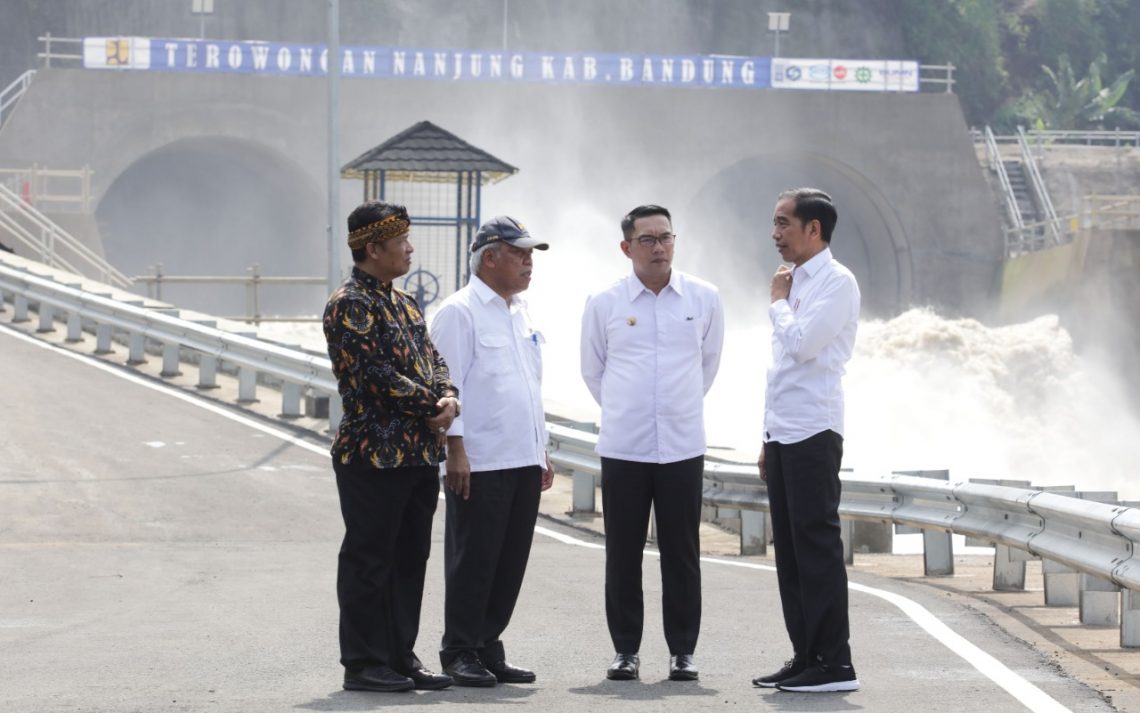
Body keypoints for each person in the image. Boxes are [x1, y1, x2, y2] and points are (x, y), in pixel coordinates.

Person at [580, 204, 725, 682]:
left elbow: (708, 365)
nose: (659, 247)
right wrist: (631, 409)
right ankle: (626, 650)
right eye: (648, 240)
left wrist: (674, 408)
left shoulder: (703, 298)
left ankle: (683, 651)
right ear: (627, 248)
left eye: (666, 237)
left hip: (682, 445)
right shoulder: (604, 303)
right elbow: (593, 371)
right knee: (622, 551)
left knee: (681, 552)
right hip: (624, 446)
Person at [323, 199, 460, 693]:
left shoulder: (403, 303)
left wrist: (447, 395)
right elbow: (374, 375)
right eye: (401, 241)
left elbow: (433, 358)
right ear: (373, 248)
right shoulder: (349, 304)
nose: (409, 249)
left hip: (418, 453)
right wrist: (432, 405)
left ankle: (401, 654)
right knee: (369, 559)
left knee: (409, 559)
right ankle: (363, 662)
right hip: (372, 455)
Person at [429, 215, 555, 687]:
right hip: (480, 459)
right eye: (519, 253)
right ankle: (459, 649)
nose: (528, 262)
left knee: (509, 560)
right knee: (475, 559)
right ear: (489, 257)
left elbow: (529, 384)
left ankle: (487, 645)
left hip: (522, 455)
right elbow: (447, 387)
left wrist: (541, 447)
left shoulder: (520, 310)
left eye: (530, 254)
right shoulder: (459, 312)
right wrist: (455, 452)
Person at [754, 188, 861, 693]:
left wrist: (777, 304)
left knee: (816, 548)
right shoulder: (794, 281)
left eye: (783, 224)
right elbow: (778, 372)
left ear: (813, 229)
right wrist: (765, 437)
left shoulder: (836, 283)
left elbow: (801, 347)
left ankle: (835, 662)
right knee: (792, 552)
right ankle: (806, 655)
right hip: (784, 432)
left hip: (815, 432)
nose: (775, 235)